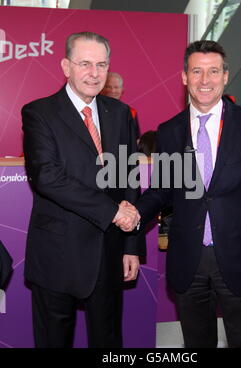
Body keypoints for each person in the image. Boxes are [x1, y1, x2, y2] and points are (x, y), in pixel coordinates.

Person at [116, 40, 241, 348]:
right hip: (187, 260)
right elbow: (162, 189)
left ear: (225, 75)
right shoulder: (169, 131)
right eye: (197, 71)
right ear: (184, 77)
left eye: (213, 71)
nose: (205, 80)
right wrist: (137, 211)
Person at [22, 31, 143, 348]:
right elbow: (47, 177)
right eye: (85, 63)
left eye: (101, 64)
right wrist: (113, 212)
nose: (94, 73)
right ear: (65, 66)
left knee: (109, 341)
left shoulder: (120, 113)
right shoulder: (39, 113)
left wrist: (131, 245)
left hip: (109, 252)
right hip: (57, 254)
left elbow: (129, 176)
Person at [101, 71, 141, 138]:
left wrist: (122, 149)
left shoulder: (130, 112)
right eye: (108, 87)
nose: (112, 91)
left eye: (116, 87)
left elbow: (131, 139)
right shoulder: (93, 110)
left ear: (122, 89)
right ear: (101, 88)